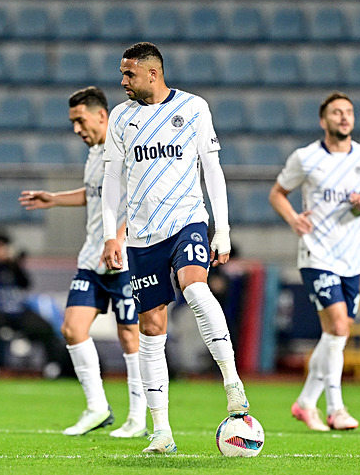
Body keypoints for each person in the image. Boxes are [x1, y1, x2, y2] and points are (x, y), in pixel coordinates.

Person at [101, 42, 249, 454]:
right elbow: (112, 179)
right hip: (142, 236)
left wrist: (223, 229)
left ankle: (232, 382)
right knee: (151, 328)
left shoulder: (194, 108)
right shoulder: (120, 118)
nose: (123, 81)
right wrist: (111, 234)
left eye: (128, 74)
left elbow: (212, 169)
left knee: (196, 288)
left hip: (187, 221)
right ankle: (162, 432)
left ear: (153, 73)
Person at [19, 86, 146, 438]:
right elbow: (94, 196)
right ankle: (97, 408)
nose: (76, 128)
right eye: (73, 122)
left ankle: (137, 417)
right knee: (72, 328)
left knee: (129, 335)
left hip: (123, 258)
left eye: (80, 120)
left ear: (101, 116)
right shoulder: (94, 153)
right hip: (92, 256)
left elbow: (138, 200)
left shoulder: (125, 150)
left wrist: (117, 238)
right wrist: (55, 199)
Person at [269, 92, 360, 431]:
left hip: (353, 257)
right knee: (337, 326)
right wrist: (293, 218)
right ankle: (336, 408)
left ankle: (305, 402)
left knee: (337, 334)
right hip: (317, 254)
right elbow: (277, 193)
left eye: (348, 112)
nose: (344, 117)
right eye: (336, 112)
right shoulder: (305, 158)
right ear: (324, 120)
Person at [0, 232, 68, 379]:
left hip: (17, 310)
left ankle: (52, 365)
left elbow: (26, 284)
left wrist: (14, 264)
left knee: (44, 326)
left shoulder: (13, 265)